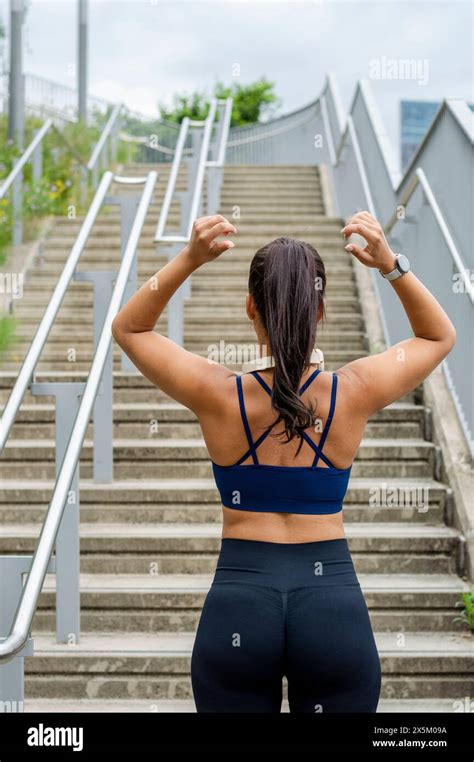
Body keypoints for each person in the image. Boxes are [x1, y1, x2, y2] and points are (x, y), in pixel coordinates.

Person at [112, 210, 456, 713]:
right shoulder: (352, 392)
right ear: (320, 312)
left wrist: (190, 259)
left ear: (251, 307)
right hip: (331, 610)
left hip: (240, 607)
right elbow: (437, 336)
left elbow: (130, 329)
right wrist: (391, 265)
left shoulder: (219, 395)